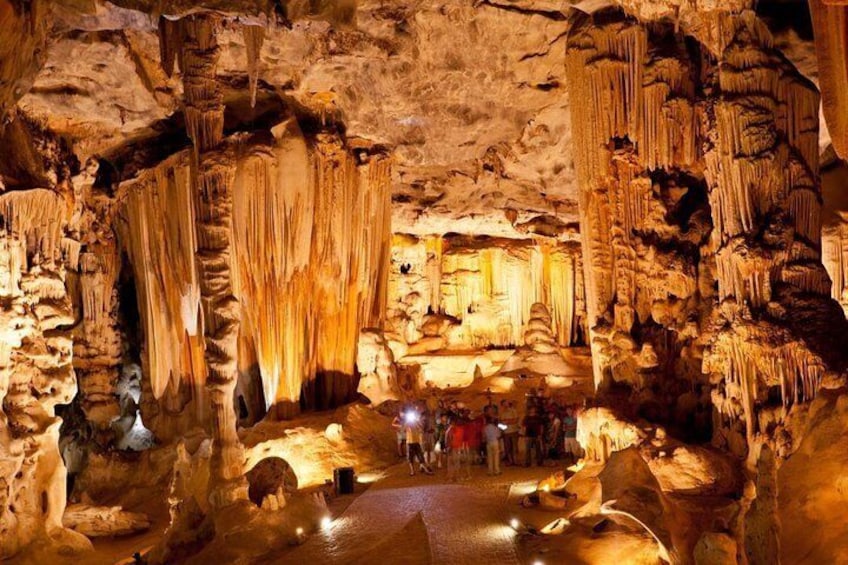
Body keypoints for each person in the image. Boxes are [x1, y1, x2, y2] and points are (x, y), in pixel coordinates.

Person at [404, 411, 433, 476]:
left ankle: (425, 470)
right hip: (409, 442)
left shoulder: (416, 424)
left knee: (420, 456)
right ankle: (412, 471)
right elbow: (403, 428)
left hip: (416, 442)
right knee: (410, 457)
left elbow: (421, 430)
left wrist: (416, 422)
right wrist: (407, 422)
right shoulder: (407, 424)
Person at [500, 400, 519, 466]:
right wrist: (503, 430)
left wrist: (507, 422)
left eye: (506, 403)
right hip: (506, 432)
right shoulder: (502, 413)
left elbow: (516, 420)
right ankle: (510, 461)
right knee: (507, 447)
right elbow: (501, 423)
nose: (506, 405)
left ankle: (515, 460)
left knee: (514, 447)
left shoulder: (513, 411)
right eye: (504, 404)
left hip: (513, 431)